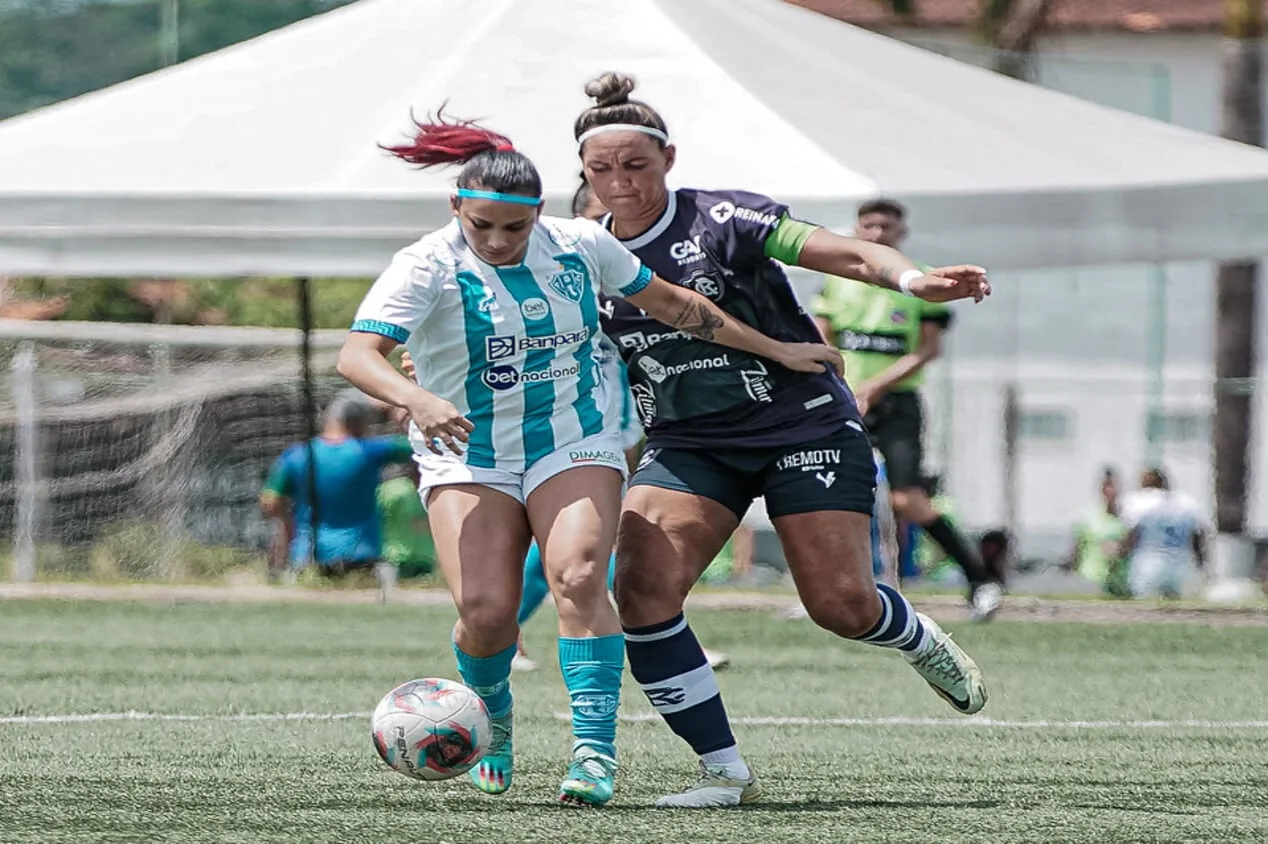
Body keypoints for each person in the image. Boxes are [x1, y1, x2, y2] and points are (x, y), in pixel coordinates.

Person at [335, 111, 842, 808]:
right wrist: (415, 399)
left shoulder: (578, 246)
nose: (498, 241)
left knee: (577, 575)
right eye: (481, 226)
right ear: (457, 208)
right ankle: (495, 722)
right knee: (486, 612)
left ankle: (594, 754)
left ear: (537, 213)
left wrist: (780, 349)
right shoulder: (424, 265)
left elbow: (677, 305)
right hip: (467, 450)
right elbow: (356, 355)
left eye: (513, 228)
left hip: (573, 439)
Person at [573, 72, 991, 808]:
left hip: (801, 423)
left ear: (668, 159)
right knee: (639, 590)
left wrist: (915, 280)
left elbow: (849, 254)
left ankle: (917, 638)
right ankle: (723, 773)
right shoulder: (575, 253)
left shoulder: (725, 217)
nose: (619, 183)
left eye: (634, 165)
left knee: (841, 606)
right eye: (601, 169)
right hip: (690, 442)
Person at [510, 180, 730, 674]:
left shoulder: (636, 278)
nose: (615, 226)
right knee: (583, 541)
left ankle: (516, 633)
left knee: (595, 541)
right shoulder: (558, 277)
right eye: (601, 215)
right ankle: (512, 633)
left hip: (622, 423)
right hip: (569, 428)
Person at [812, 199, 1002, 621]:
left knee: (907, 500)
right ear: (857, 229)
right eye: (870, 226)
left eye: (886, 227)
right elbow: (822, 338)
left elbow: (927, 350)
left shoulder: (922, 280)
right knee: (827, 492)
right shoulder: (836, 281)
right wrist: (841, 386)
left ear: (901, 233)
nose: (877, 234)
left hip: (895, 403)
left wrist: (876, 387)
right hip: (843, 401)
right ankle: (829, 588)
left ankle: (980, 580)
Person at [258, 390, 412, 580]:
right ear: (361, 421)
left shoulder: (298, 454)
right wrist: (397, 410)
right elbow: (417, 445)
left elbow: (270, 501)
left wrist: (289, 525)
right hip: (361, 556)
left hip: (308, 556)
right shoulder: (370, 451)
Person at [1120, 467, 1208, 599]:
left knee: (1144, 606)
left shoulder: (1141, 501)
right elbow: (1198, 534)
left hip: (1149, 560)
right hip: (1181, 560)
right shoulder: (1186, 502)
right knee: (1180, 610)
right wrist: (1201, 562)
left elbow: (1132, 531)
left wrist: (1122, 551)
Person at [1066, 467, 1130, 598]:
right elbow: (1078, 546)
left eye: (1114, 487)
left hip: (1118, 579)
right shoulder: (1089, 518)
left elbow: (1132, 546)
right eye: (1108, 487)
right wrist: (1072, 569)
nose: (1111, 491)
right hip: (1092, 577)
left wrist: (1121, 549)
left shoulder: (1126, 519)